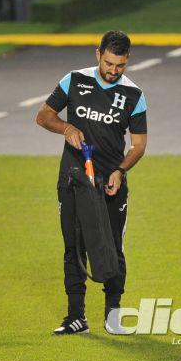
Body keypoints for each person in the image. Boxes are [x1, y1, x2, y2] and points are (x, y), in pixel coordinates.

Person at [35, 30, 148, 335]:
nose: (113, 71)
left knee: (112, 246)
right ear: (98, 55)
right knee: (73, 246)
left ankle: (113, 314)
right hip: (73, 179)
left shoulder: (134, 95)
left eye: (120, 65)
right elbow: (43, 116)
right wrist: (66, 127)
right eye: (109, 63)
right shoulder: (74, 80)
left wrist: (120, 171)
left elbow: (138, 145)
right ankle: (76, 316)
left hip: (110, 181)